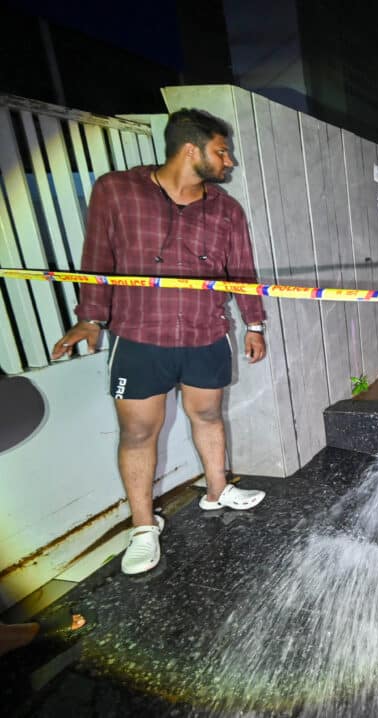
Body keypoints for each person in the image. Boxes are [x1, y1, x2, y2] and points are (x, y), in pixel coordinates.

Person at [50, 109, 269, 576]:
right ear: (191, 150)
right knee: (138, 433)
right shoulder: (117, 191)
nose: (229, 161)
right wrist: (90, 318)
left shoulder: (226, 209)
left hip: (205, 333)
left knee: (208, 415)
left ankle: (217, 490)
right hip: (140, 336)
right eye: (221, 151)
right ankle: (144, 528)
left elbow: (241, 271)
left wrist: (254, 325)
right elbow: (97, 258)